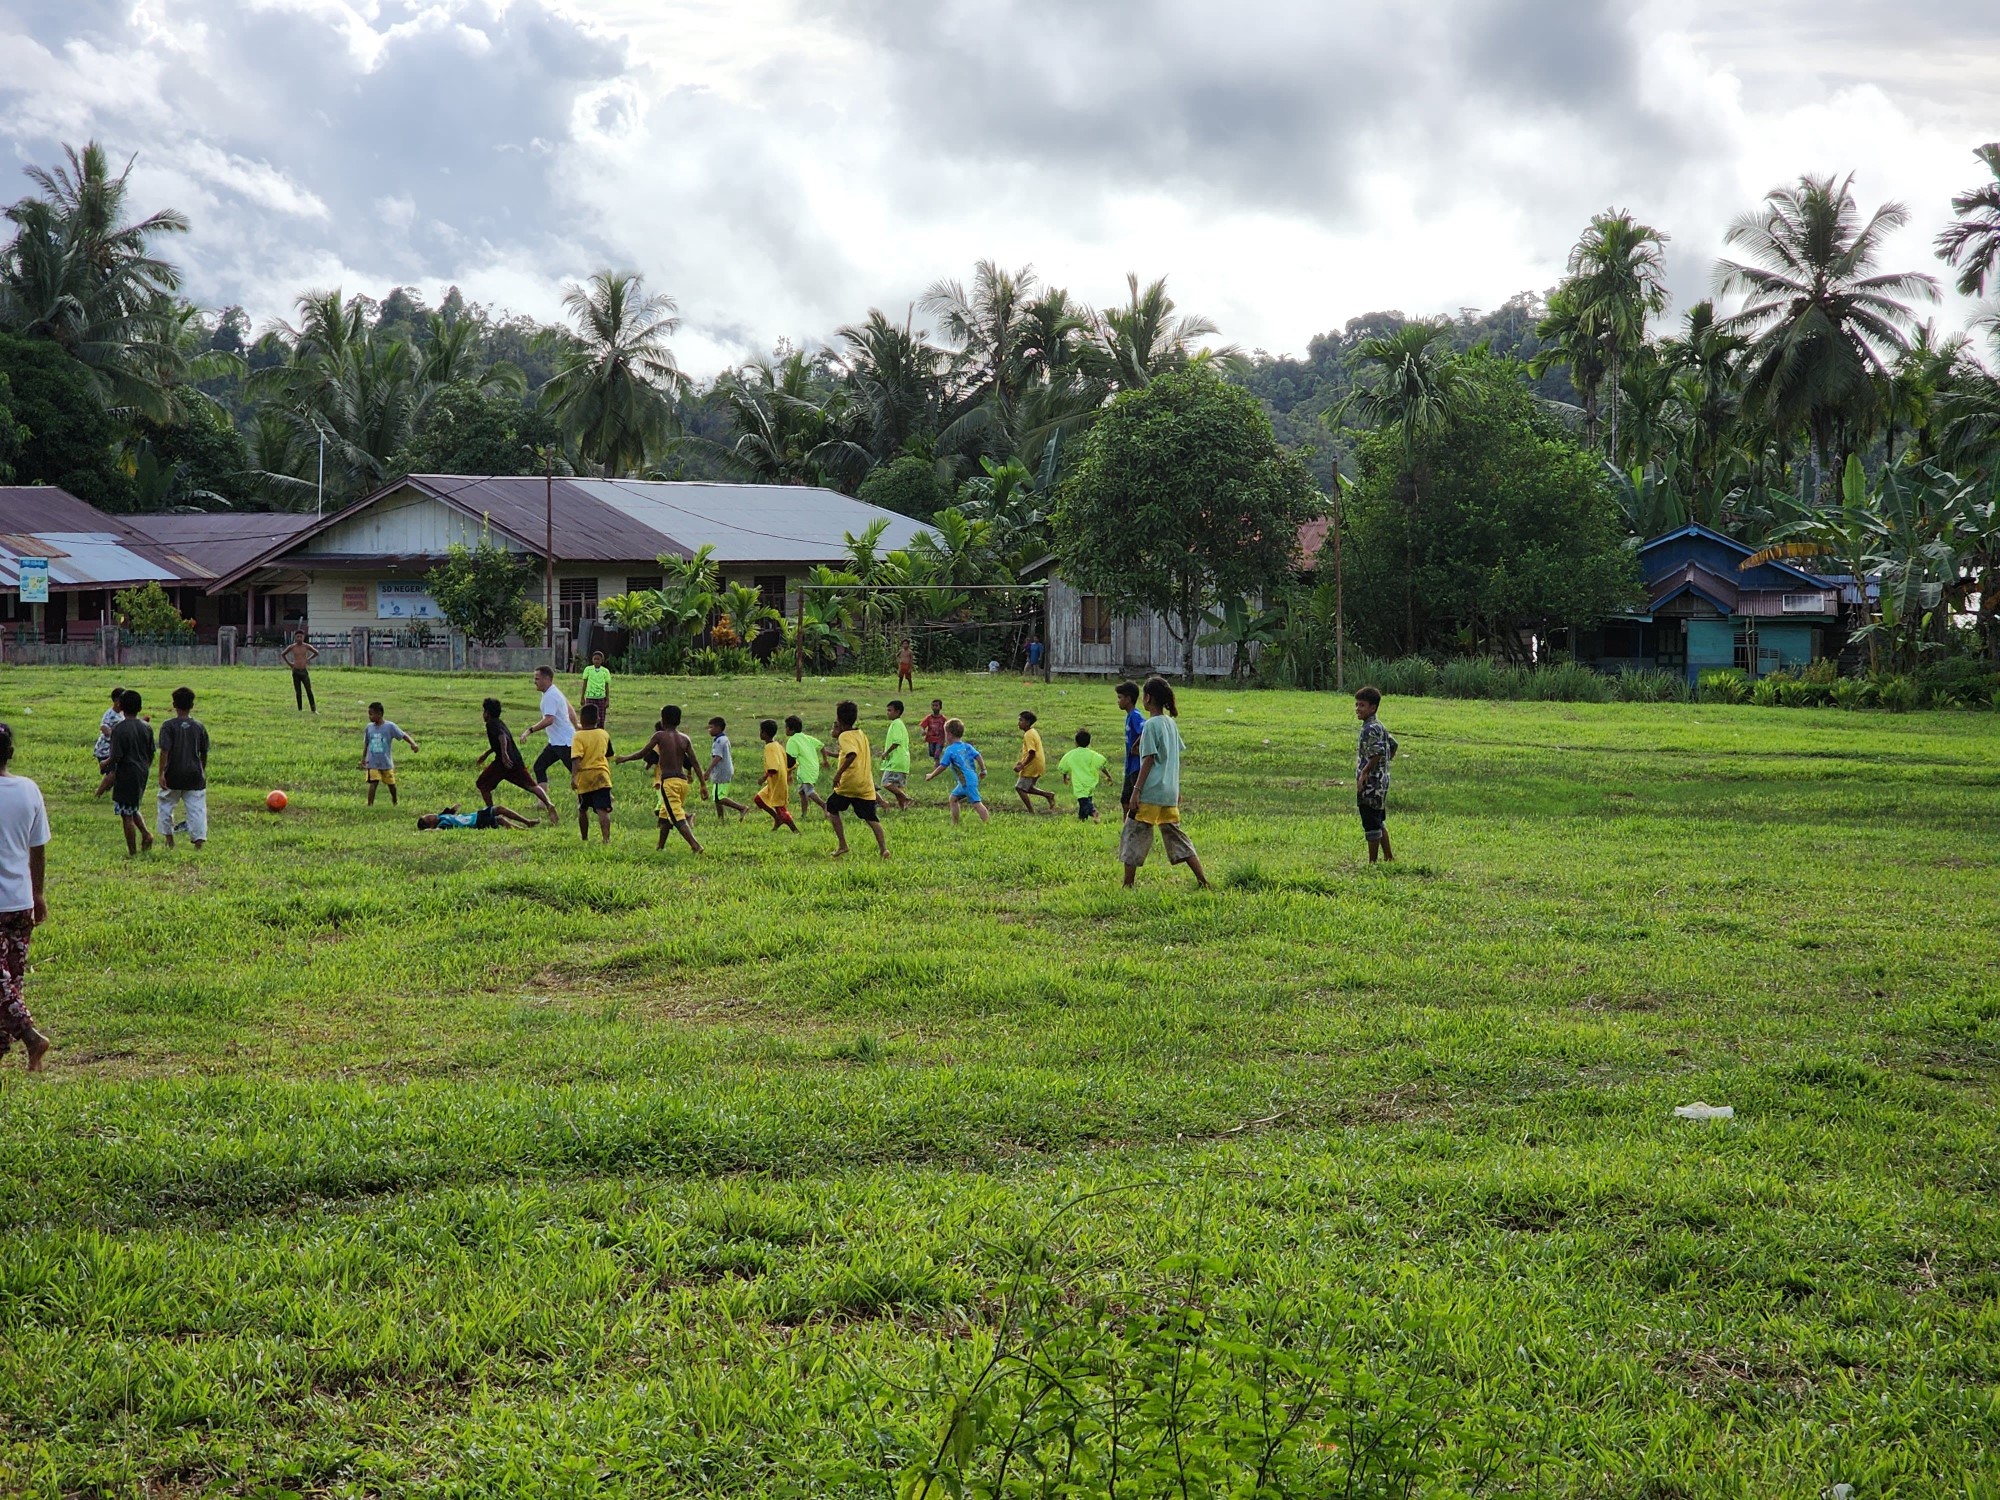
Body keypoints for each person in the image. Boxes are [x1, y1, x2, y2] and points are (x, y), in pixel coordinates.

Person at [1120, 676, 1209, 890]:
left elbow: (1149, 759)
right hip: (1168, 792)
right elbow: (1172, 757)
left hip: (1150, 792)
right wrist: (1176, 789)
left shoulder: (1150, 725)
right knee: (1176, 835)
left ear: (1148, 698)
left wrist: (1136, 791)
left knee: (1134, 832)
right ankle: (1202, 880)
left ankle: (1128, 885)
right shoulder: (1171, 723)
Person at [0, 722, 53, 1070]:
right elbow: (38, 849)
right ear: (11, 754)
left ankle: (31, 1036)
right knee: (11, 982)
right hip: (20, 900)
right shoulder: (29, 790)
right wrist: (38, 892)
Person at [618, 704, 704, 853]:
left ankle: (695, 845)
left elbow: (642, 753)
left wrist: (624, 758)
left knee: (677, 817)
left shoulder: (659, 736)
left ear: (663, 720)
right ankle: (660, 847)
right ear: (679, 720)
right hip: (683, 782)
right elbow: (695, 762)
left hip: (668, 783)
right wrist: (703, 784)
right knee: (665, 816)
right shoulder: (685, 738)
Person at [96, 689, 156, 855]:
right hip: (142, 771)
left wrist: (104, 763)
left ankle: (133, 851)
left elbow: (116, 756)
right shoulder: (147, 728)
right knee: (131, 806)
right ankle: (146, 834)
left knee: (125, 815)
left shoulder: (119, 729)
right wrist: (145, 767)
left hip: (125, 773)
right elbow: (151, 753)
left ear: (120, 706)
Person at [475, 698, 556, 818]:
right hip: (516, 761)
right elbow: (499, 740)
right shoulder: (499, 722)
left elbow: (502, 737)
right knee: (531, 786)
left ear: (487, 713)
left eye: (484, 711)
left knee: (482, 784)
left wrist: (504, 755)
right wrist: (487, 754)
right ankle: (549, 804)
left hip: (503, 763)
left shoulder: (491, 724)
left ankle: (491, 813)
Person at [826, 700, 887, 858]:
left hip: (848, 783)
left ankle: (842, 845)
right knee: (871, 817)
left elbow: (851, 754)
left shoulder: (844, 736)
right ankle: (883, 849)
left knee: (832, 807)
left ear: (839, 720)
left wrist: (838, 774)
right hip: (865, 784)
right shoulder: (861, 734)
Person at [156, 686, 210, 849]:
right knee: (197, 809)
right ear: (192, 705)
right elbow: (204, 752)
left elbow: (164, 751)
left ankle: (169, 839)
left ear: (174, 704)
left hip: (173, 773)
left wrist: (161, 773)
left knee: (166, 805)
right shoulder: (199, 727)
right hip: (194, 774)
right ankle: (198, 841)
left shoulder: (168, 726)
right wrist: (202, 769)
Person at [522, 665, 579, 812]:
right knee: (539, 766)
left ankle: (599, 798)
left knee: (579, 774)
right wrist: (576, 725)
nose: (534, 681)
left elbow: (549, 720)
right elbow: (569, 708)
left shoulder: (551, 696)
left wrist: (530, 730)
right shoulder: (553, 692)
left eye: (537, 678)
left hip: (564, 743)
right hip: (556, 742)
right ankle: (542, 802)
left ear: (547, 679)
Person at [1354, 686, 1399, 863]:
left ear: (1373, 708)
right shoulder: (1379, 726)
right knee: (1379, 819)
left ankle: (1372, 862)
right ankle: (1388, 857)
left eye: (1362, 705)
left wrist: (1365, 773)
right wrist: (1384, 767)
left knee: (1371, 822)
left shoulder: (1369, 729)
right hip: (1381, 782)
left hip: (1371, 783)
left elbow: (1376, 753)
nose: (1358, 709)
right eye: (1357, 705)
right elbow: (1393, 745)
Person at [925, 717, 990, 826]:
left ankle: (988, 824)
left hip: (966, 781)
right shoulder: (967, 746)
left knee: (976, 803)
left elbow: (942, 766)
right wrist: (983, 769)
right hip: (969, 779)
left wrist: (932, 775)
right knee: (953, 799)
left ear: (949, 734)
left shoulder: (950, 750)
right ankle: (955, 824)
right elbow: (978, 755)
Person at [571, 703, 614, 843]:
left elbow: (576, 759)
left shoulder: (578, 736)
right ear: (598, 718)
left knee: (583, 808)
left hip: (585, 777)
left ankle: (584, 838)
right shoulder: (604, 734)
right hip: (602, 776)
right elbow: (609, 754)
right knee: (603, 810)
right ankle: (606, 839)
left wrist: (574, 778)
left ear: (581, 720)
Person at [361, 701, 419, 807]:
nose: (369, 717)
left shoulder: (390, 726)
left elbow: (403, 735)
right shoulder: (369, 727)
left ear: (379, 714)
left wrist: (413, 744)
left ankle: (395, 801)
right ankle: (370, 804)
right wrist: (364, 757)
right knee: (373, 783)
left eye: (371, 714)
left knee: (391, 784)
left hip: (386, 762)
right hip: (372, 762)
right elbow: (367, 743)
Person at [753, 718, 798, 832]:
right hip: (776, 782)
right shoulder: (777, 745)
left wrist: (763, 778)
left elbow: (773, 768)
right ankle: (777, 818)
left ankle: (795, 831)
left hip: (777, 782)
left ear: (763, 733)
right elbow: (791, 761)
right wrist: (789, 774)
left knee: (781, 808)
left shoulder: (770, 747)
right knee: (759, 799)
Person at [1057, 728, 1108, 823]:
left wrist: (1065, 777)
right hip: (1090, 782)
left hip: (1079, 783)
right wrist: (1108, 776)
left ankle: (1094, 812)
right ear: (1089, 742)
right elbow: (1102, 765)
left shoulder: (1071, 754)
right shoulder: (1092, 754)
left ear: (1076, 742)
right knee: (1085, 802)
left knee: (1084, 802)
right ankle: (1082, 819)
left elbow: (1063, 767)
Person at [1013, 710, 1057, 814]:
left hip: (1032, 765)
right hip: (1038, 764)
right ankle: (1048, 795)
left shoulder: (1028, 734)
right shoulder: (1033, 732)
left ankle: (1031, 811)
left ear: (1027, 723)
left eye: (1021, 720)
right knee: (1027, 787)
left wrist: (1022, 765)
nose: (1018, 723)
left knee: (1020, 788)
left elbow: (1032, 752)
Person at [784, 714, 828, 819]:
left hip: (806, 770)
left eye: (785, 727)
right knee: (802, 792)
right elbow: (822, 746)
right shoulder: (806, 737)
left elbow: (790, 761)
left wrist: (788, 774)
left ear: (791, 729)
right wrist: (825, 760)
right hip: (812, 767)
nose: (784, 730)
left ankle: (824, 805)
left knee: (809, 791)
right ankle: (804, 815)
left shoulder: (792, 741)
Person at [707, 717, 749, 822]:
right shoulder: (723, 739)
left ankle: (741, 808)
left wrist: (708, 771)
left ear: (718, 728)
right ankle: (721, 819)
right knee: (716, 797)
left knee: (719, 797)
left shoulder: (720, 741)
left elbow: (718, 757)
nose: (709, 730)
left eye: (711, 727)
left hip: (722, 772)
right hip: (723, 771)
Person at [1115, 681, 1145, 820]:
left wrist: (1136, 747)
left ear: (1128, 699)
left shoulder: (1135, 716)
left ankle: (1133, 826)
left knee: (1134, 802)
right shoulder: (1129, 716)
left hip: (1136, 766)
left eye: (1120, 697)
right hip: (1129, 766)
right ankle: (1126, 827)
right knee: (1125, 800)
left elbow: (1145, 730)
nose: (1118, 701)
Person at [879, 699, 913, 810]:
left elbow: (896, 742)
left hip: (896, 760)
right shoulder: (899, 724)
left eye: (890, 710)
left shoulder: (896, 724)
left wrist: (886, 753)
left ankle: (905, 798)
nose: (887, 713)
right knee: (899, 787)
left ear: (897, 712)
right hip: (903, 761)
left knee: (886, 783)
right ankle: (903, 809)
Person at [417, 803, 539, 830]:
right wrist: (428, 830)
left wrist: (454, 808)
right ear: (431, 824)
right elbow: (437, 831)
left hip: (476, 815)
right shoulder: (443, 824)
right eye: (429, 818)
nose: (432, 815)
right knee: (500, 819)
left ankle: (527, 822)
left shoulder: (442, 816)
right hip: (476, 823)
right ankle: (521, 830)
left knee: (500, 809)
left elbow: (453, 809)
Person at [282, 630, 319, 713]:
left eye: (301, 637)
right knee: (298, 691)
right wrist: (289, 664)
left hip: (304, 671)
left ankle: (313, 709)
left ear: (303, 637)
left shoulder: (306, 646)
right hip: (295, 671)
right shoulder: (292, 647)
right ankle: (300, 709)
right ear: (295, 637)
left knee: (309, 690)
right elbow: (283, 654)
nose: (299, 638)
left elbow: (316, 652)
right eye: (297, 637)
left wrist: (308, 659)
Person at [93, 687, 127, 774]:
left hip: (113, 749)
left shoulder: (121, 713)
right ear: (116, 701)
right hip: (105, 750)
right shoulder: (110, 714)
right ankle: (102, 787)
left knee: (116, 772)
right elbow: (103, 728)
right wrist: (115, 736)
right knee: (113, 773)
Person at [580, 650, 613, 733]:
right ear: (592, 660)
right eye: (595, 659)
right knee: (589, 717)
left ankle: (600, 733)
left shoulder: (605, 671)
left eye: (598, 659)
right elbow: (584, 684)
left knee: (601, 718)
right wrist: (582, 697)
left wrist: (607, 699)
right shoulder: (588, 669)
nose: (596, 661)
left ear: (602, 660)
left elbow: (606, 686)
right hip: (590, 697)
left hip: (601, 697)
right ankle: (589, 732)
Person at [920, 698, 947, 765]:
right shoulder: (929, 717)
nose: (934, 707)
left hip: (940, 739)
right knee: (932, 752)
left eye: (936, 706)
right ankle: (937, 761)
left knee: (937, 754)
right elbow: (922, 725)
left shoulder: (943, 719)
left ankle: (937, 765)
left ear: (940, 707)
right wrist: (923, 731)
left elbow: (947, 727)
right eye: (933, 705)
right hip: (931, 739)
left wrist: (947, 737)